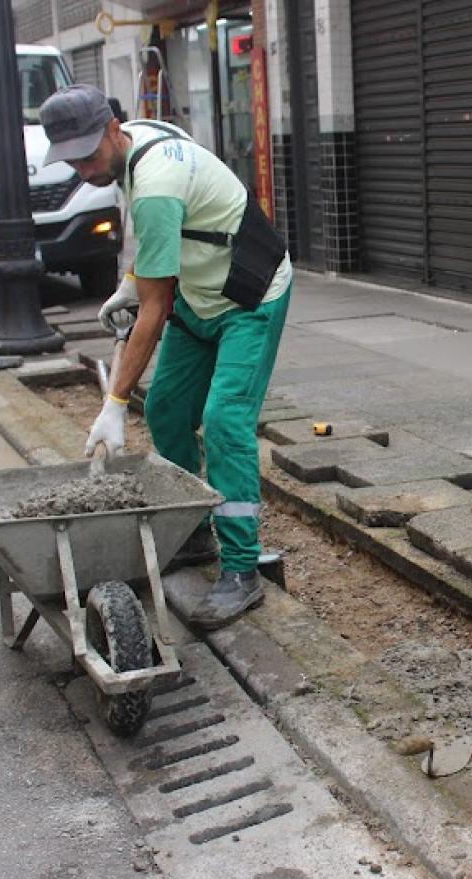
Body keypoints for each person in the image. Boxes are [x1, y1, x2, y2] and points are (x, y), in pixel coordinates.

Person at [39, 84, 292, 630]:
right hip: (200, 295)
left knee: (226, 421)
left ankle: (242, 570)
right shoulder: (140, 142)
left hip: (250, 297)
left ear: (113, 129)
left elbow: (154, 313)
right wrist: (132, 282)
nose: (83, 169)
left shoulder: (154, 181)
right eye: (71, 160)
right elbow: (160, 251)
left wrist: (113, 401)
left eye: (89, 154)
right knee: (168, 411)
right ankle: (194, 532)